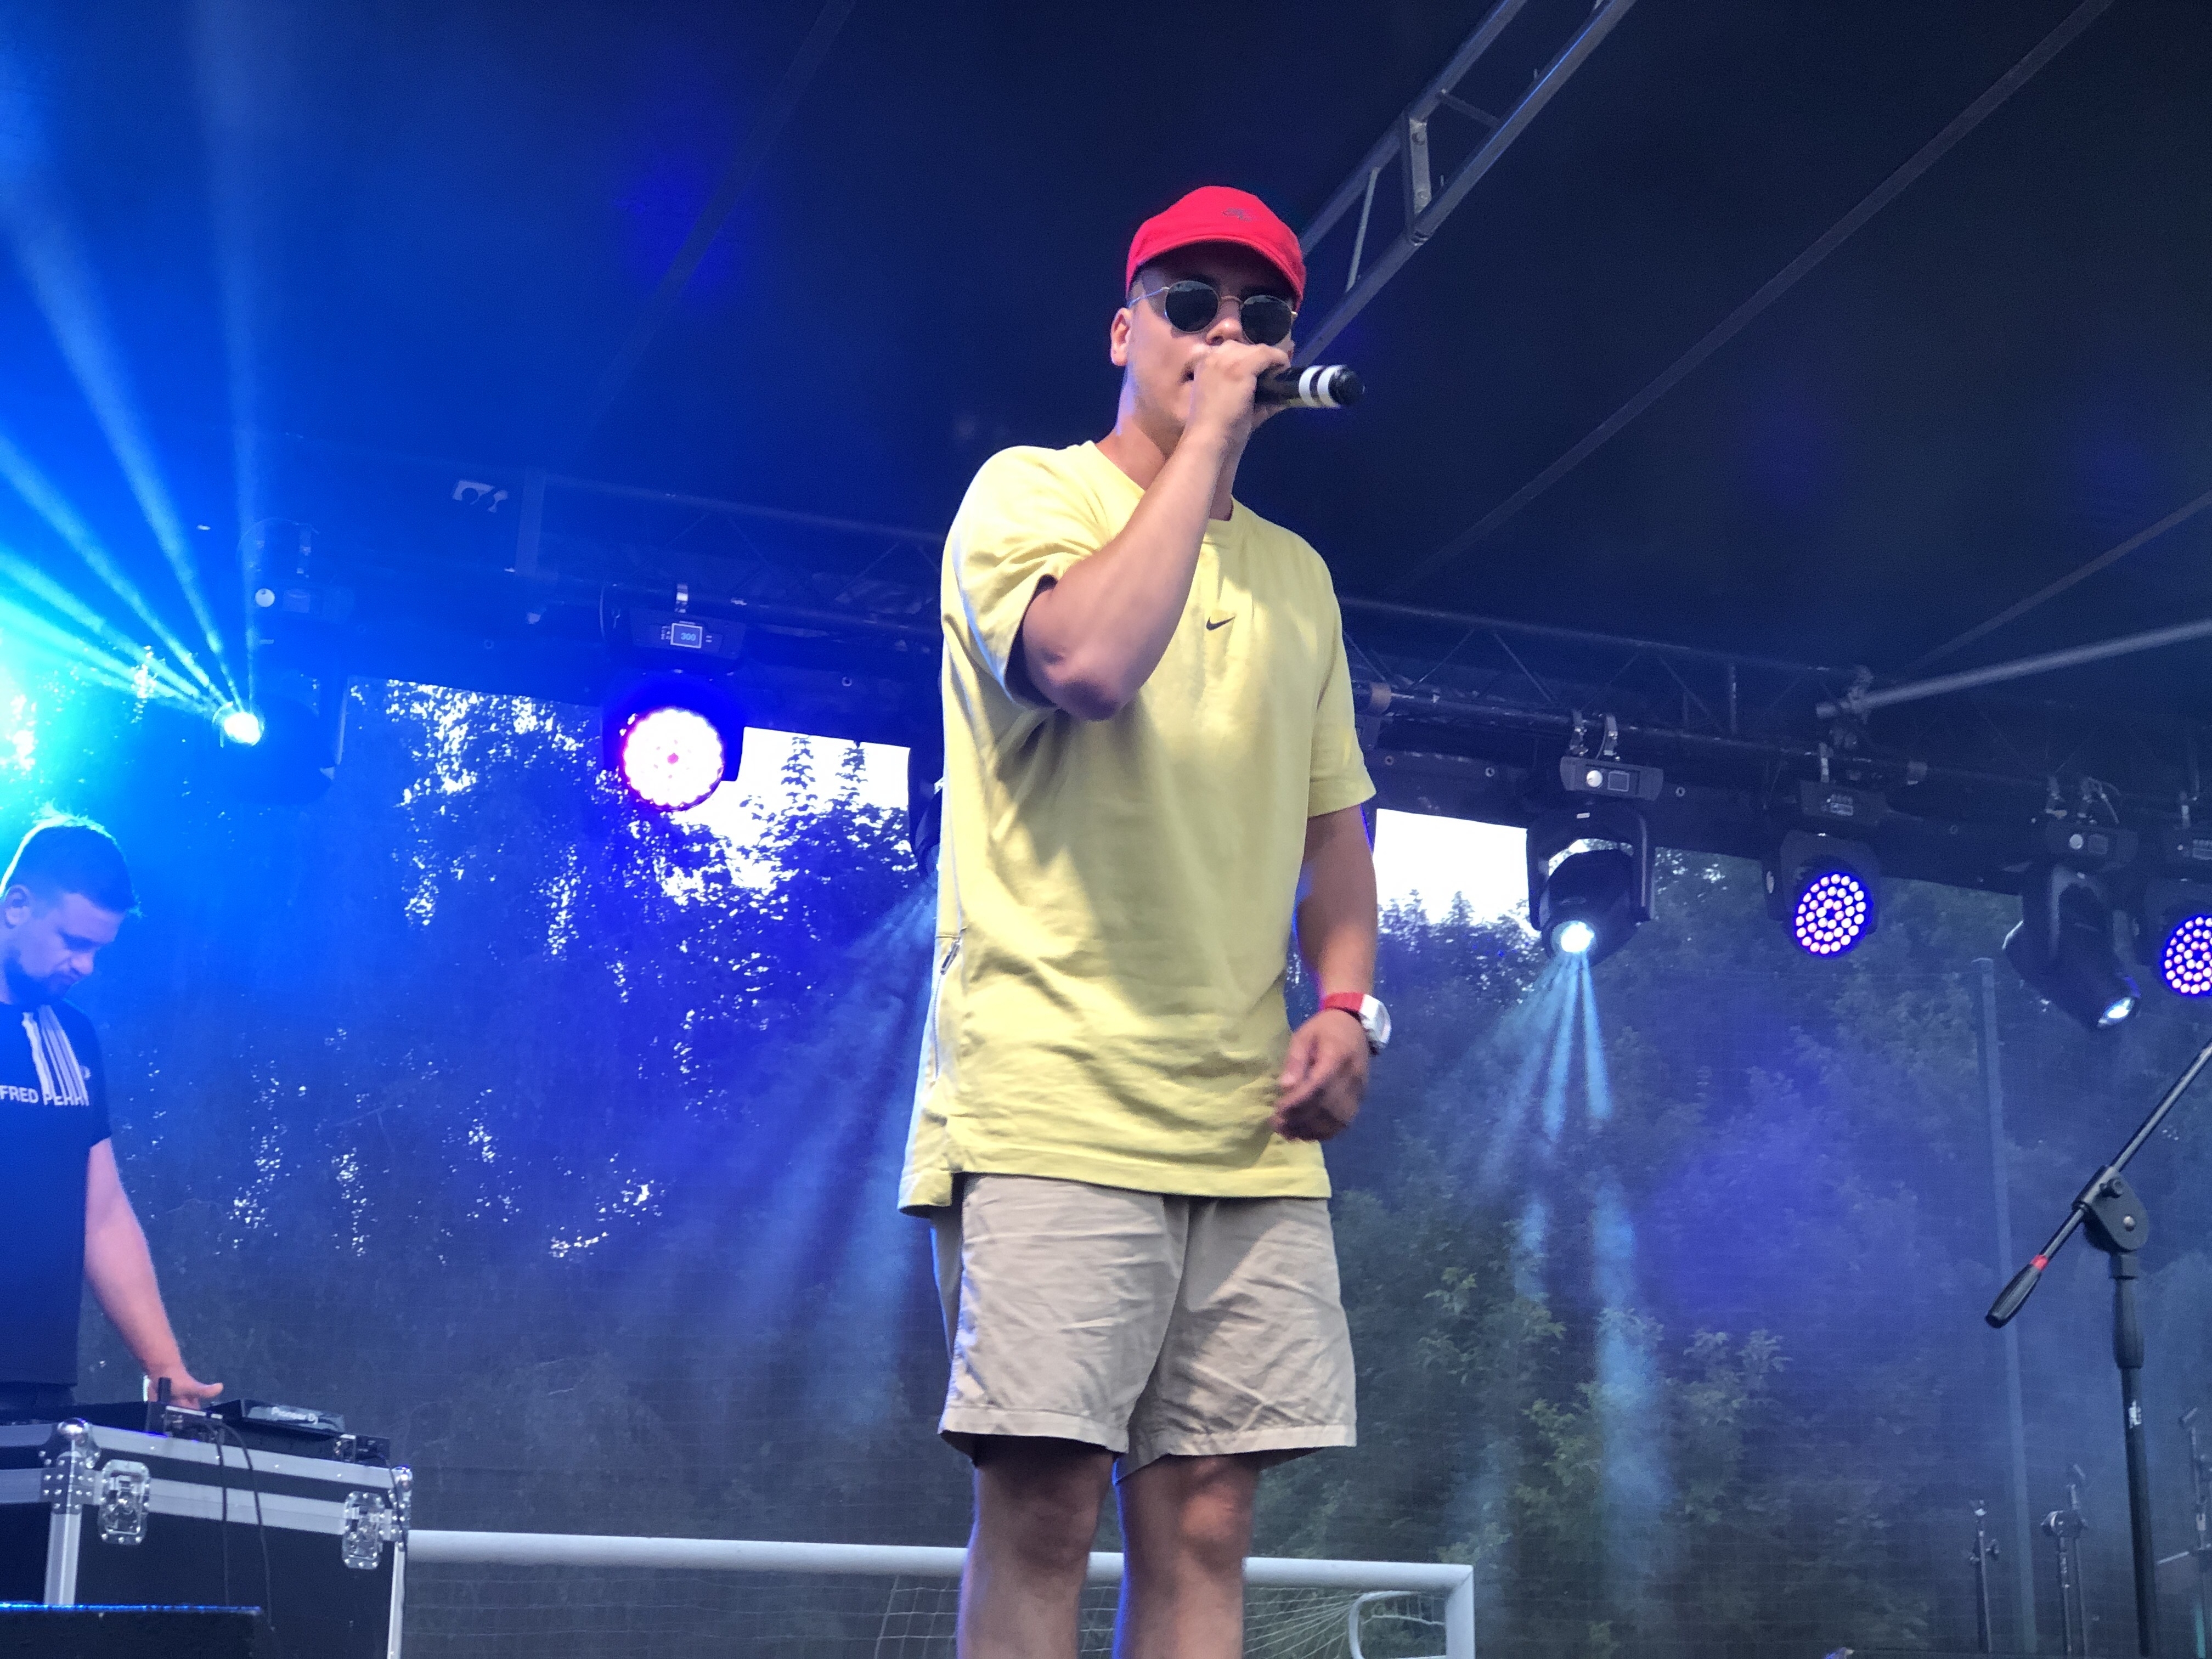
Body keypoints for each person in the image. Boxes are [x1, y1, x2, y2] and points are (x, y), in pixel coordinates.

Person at [902, 185, 1391, 1659]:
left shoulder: (1299, 579)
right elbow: (1090, 664)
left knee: (1208, 1524)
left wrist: (1346, 1007)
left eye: (1262, 317)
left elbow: (1337, 836)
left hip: (1244, 1119)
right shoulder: (1027, 496)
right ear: (1125, 331)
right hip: (1055, 1091)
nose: (1228, 336)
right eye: (1192, 307)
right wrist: (1209, 451)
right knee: (1047, 1507)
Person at [0, 817, 219, 1421]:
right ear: (17, 906)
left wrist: (165, 1367)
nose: (86, 965)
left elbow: (102, 1215)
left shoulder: (73, 1037)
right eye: (74, 942)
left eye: (97, 949)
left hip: (37, 1388)